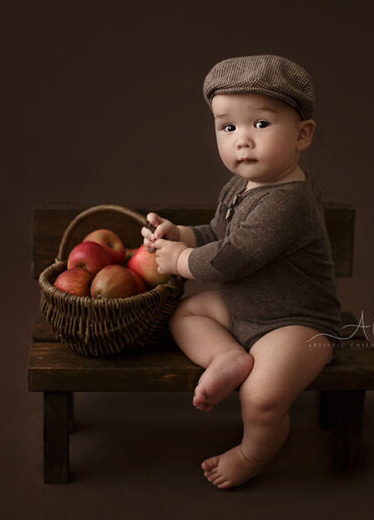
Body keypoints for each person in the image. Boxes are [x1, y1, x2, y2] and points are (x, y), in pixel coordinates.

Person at [141, 54, 343, 489]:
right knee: (187, 313)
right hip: (243, 308)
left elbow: (235, 257)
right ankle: (227, 356)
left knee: (262, 397)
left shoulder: (288, 202)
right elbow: (219, 233)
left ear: (302, 134)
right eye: (228, 127)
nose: (242, 141)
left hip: (295, 323)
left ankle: (253, 452)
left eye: (261, 124)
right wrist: (182, 234)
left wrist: (179, 261)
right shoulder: (240, 185)